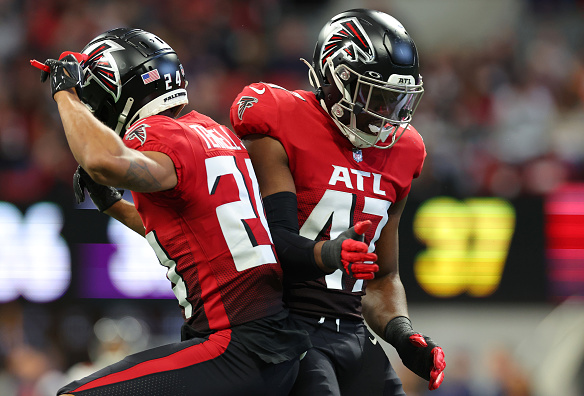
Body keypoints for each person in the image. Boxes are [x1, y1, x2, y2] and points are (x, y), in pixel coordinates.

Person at [37, 27, 321, 396]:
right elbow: (186, 231)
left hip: (234, 346)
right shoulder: (212, 131)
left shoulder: (158, 135)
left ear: (121, 91)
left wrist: (65, 95)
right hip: (267, 343)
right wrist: (113, 205)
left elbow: (99, 158)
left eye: (95, 98)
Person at [229, 8, 446, 395]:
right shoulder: (282, 119)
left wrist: (402, 334)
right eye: (376, 97)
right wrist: (330, 253)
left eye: (395, 102)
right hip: (285, 325)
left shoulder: (405, 151)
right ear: (336, 79)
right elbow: (270, 242)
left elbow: (382, 277)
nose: (386, 117)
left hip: (352, 331)